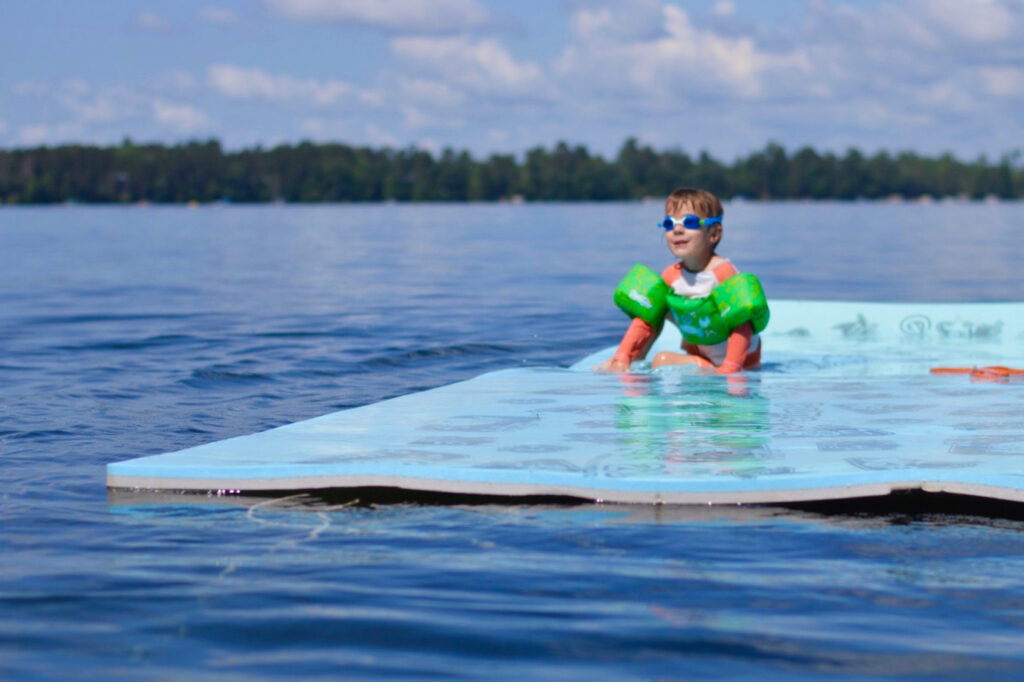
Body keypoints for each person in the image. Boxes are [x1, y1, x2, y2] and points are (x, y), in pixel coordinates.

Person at [596, 187, 763, 374]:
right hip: (703, 356)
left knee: (662, 360)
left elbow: (742, 324)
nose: (677, 229)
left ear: (714, 234)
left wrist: (730, 368)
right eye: (669, 223)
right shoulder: (671, 276)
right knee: (653, 310)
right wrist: (621, 357)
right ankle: (627, 360)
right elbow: (646, 319)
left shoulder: (723, 273)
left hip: (742, 363)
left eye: (689, 222)